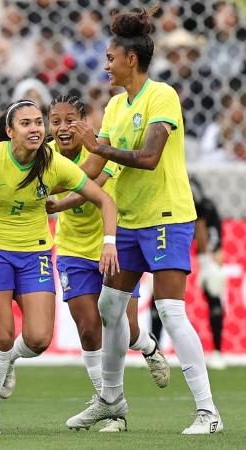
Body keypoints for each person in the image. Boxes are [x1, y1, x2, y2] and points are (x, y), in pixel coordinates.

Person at [63, 7, 222, 434]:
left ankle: (208, 412)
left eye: (111, 57)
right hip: (130, 221)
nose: (105, 65)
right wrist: (55, 197)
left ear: (130, 60)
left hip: (168, 215)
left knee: (170, 311)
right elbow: (96, 171)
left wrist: (95, 145)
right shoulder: (115, 105)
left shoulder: (161, 95)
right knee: (110, 307)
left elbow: (149, 159)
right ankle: (111, 401)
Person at [0, 99, 119, 435]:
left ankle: (6, 361)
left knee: (37, 339)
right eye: (26, 123)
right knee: (4, 334)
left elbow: (104, 200)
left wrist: (109, 243)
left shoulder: (54, 163)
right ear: (10, 131)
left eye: (39, 122)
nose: (36, 128)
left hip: (33, 252)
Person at [46, 94, 170, 433]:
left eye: (70, 120)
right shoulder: (45, 156)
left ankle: (148, 346)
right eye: (55, 121)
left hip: (111, 245)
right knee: (88, 327)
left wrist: (58, 204)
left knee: (124, 330)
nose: (63, 128)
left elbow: (94, 184)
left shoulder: (101, 146)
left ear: (84, 121)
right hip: (72, 248)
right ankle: (112, 408)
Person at [151, 176, 227, 369]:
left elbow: (212, 240)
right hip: (173, 232)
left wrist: (210, 264)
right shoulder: (165, 204)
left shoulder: (206, 209)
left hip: (201, 248)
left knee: (213, 292)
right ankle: (155, 352)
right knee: (160, 297)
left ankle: (218, 351)